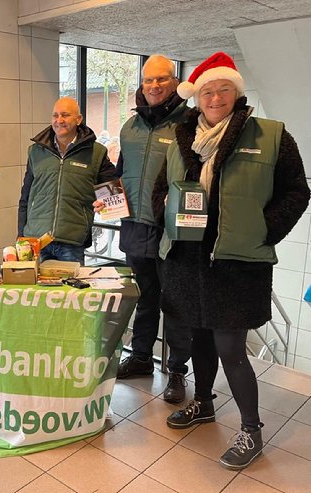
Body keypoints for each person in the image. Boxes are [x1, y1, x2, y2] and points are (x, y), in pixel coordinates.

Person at [152, 52, 310, 470]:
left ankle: (251, 431)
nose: (215, 97)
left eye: (223, 89)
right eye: (207, 91)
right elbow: (159, 190)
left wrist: (264, 229)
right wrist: (163, 215)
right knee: (198, 338)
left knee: (231, 348)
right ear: (197, 97)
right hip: (187, 259)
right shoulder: (181, 136)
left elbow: (297, 191)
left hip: (236, 263)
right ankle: (203, 403)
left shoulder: (270, 134)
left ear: (236, 93)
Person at [98, 55, 192, 404]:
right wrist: (107, 197)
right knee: (146, 298)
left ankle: (178, 371)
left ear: (174, 81)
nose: (153, 86)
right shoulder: (130, 127)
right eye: (148, 80)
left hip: (172, 231)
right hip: (135, 227)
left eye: (161, 80)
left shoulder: (189, 123)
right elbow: (120, 174)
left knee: (176, 302)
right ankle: (140, 359)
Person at [18, 97, 115, 263]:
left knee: (70, 289)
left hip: (72, 242)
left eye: (65, 115)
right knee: (37, 290)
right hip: (36, 241)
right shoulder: (36, 152)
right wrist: (21, 236)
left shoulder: (96, 153)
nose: (59, 120)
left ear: (78, 119)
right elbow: (25, 198)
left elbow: (113, 193)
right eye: (55, 115)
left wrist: (105, 203)